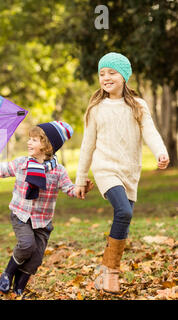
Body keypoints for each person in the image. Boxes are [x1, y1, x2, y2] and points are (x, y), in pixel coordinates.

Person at [74, 52, 169, 294]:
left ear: (124, 76)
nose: (106, 77)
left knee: (124, 220)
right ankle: (112, 274)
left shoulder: (138, 105)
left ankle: (105, 270)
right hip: (105, 168)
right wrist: (80, 178)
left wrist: (160, 151)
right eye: (102, 73)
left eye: (111, 72)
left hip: (130, 171)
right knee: (123, 211)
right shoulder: (96, 108)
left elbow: (150, 131)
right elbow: (87, 145)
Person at [0, 121, 93, 296]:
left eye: (34, 140)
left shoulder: (58, 171)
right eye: (30, 139)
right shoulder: (22, 163)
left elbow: (70, 189)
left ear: (47, 145)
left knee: (36, 258)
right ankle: (7, 274)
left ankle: (19, 287)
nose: (29, 142)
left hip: (43, 221)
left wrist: (82, 189)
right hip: (21, 214)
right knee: (26, 245)